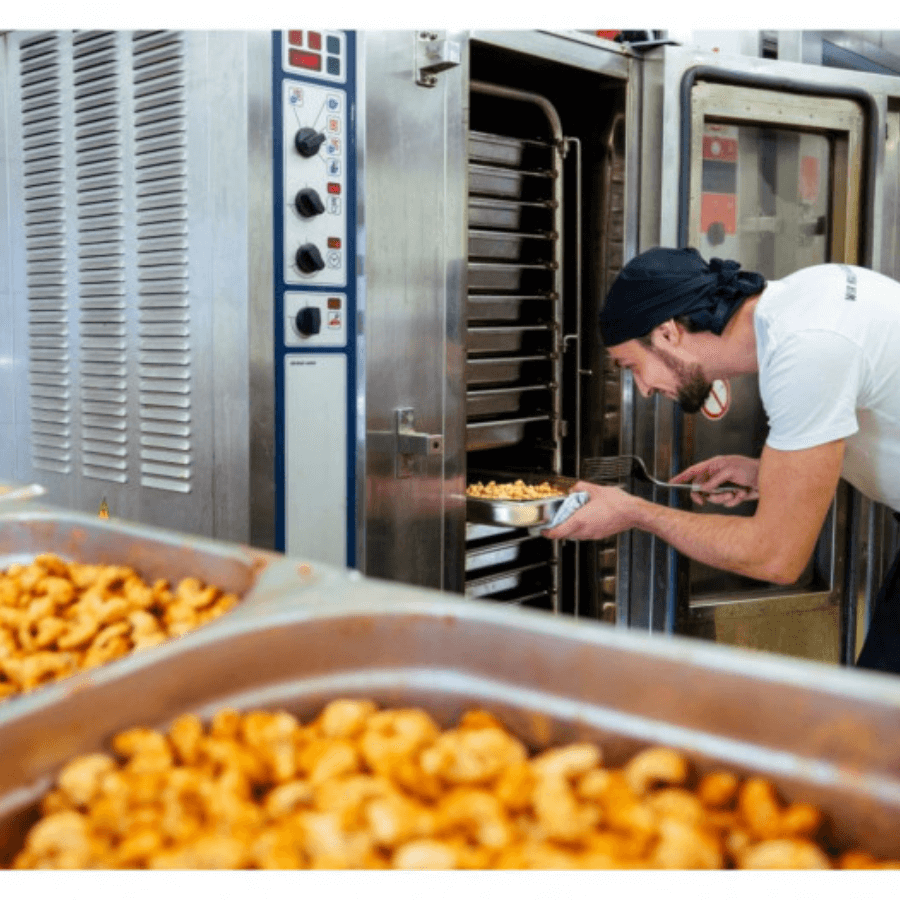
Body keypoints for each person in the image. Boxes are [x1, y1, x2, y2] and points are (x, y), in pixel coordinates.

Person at [542, 246, 900, 675]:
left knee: (875, 726)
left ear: (668, 332)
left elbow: (777, 558)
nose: (643, 389)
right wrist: (769, 471)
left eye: (632, 366)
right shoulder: (803, 299)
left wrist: (634, 512)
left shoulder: (805, 350)